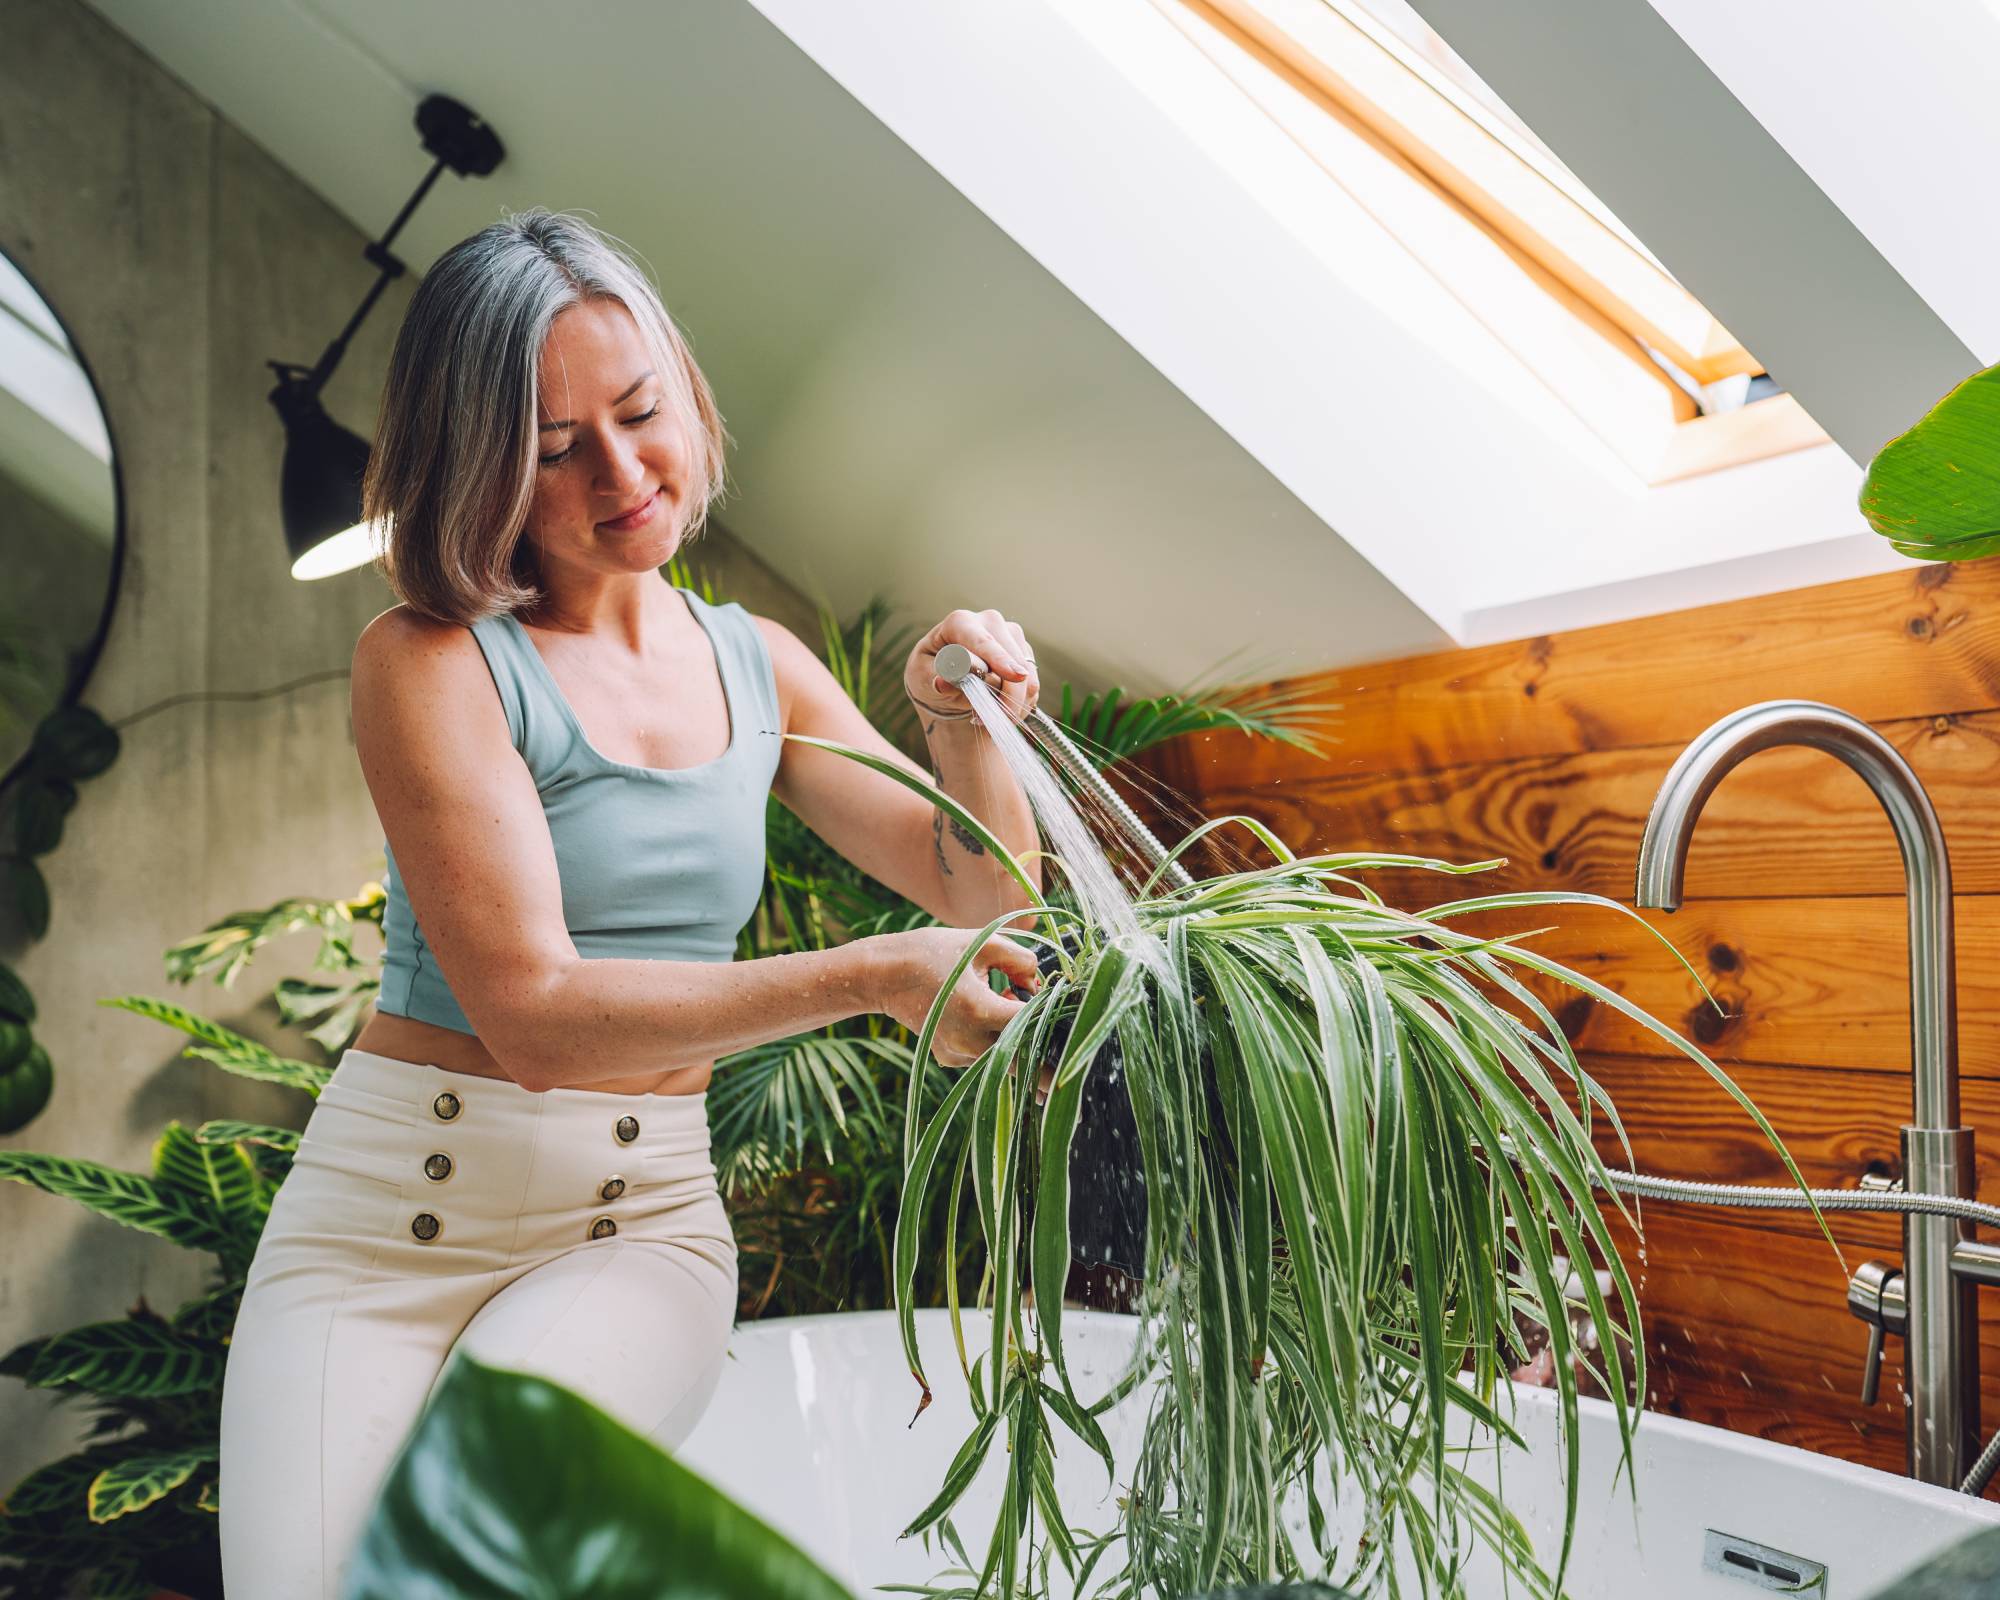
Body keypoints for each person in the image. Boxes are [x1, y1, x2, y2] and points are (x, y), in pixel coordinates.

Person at [217, 209, 1046, 1597]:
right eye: (553, 449)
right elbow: (532, 1016)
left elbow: (981, 895)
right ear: (481, 470)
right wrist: (873, 973)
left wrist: (968, 728)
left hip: (634, 1224)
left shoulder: (760, 665)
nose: (622, 471)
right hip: (377, 1232)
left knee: (463, 1543)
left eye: (641, 411)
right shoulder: (428, 662)